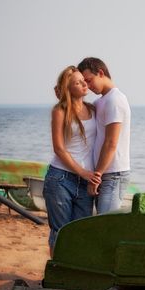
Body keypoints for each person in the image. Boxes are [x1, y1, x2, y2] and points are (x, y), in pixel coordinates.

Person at [43, 65, 101, 254]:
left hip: (85, 183)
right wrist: (83, 172)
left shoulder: (93, 109)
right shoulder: (60, 111)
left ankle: (73, 275)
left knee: (80, 232)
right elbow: (59, 149)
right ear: (68, 89)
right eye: (78, 82)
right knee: (60, 231)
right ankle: (57, 274)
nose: (84, 84)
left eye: (84, 81)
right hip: (60, 179)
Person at [78, 57, 131, 214]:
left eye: (89, 80)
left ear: (100, 73)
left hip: (113, 174)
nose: (87, 86)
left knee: (107, 226)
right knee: (101, 224)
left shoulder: (115, 100)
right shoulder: (100, 102)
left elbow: (110, 143)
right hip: (103, 173)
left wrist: (97, 175)